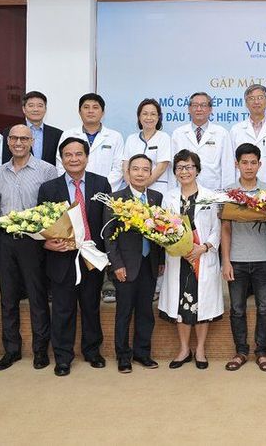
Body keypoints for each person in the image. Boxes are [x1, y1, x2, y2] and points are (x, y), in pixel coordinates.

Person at [37, 137, 111, 377]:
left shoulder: (101, 183)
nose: (74, 159)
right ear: (61, 159)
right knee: (62, 310)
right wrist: (47, 242)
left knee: (91, 307)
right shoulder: (49, 188)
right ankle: (62, 357)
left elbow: (107, 222)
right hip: (62, 258)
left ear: (87, 157)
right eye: (68, 155)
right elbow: (41, 224)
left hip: (91, 256)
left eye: (79, 154)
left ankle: (92, 351)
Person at [0, 125, 57, 371]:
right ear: (8, 142)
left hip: (34, 241)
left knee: (37, 297)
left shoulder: (46, 170)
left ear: (32, 142)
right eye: (14, 138)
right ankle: (11, 350)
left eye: (24, 139)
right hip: (4, 240)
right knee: (8, 298)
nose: (18, 143)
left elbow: (53, 209)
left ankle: (40, 351)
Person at [56, 93, 125, 304]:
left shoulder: (115, 136)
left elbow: (118, 168)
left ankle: (106, 282)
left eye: (95, 107)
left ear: (103, 112)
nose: (91, 111)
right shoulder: (68, 134)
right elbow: (60, 163)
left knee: (102, 235)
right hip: (72, 191)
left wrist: (99, 189)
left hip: (102, 194)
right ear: (79, 111)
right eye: (86, 107)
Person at [158, 150, 224, 370]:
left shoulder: (210, 196)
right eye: (179, 167)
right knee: (181, 305)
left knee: (202, 306)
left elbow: (217, 228)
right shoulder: (169, 197)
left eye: (189, 167)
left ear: (197, 170)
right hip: (179, 259)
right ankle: (184, 349)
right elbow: (163, 228)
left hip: (201, 258)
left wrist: (203, 248)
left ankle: (201, 350)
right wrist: (174, 244)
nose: (184, 171)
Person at [103, 154, 164, 373]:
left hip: (150, 264)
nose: (140, 173)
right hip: (125, 266)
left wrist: (161, 261)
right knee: (124, 312)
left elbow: (161, 231)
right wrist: (116, 265)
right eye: (135, 169)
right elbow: (108, 236)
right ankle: (123, 356)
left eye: (145, 169)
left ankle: (142, 353)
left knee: (146, 312)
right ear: (127, 172)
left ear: (151, 173)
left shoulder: (156, 197)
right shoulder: (116, 199)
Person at [221, 143, 266, 372]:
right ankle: (241, 351)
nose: (249, 167)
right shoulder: (228, 192)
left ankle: (262, 352)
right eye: (244, 162)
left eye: (253, 162)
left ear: (260, 164)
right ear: (237, 164)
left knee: (264, 308)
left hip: (264, 258)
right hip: (236, 259)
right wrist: (226, 261)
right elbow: (225, 228)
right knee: (237, 309)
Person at [171, 91, 235, 190]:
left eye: (203, 105)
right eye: (195, 105)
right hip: (184, 190)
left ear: (210, 109)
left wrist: (227, 194)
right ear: (189, 109)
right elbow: (173, 167)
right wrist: (173, 191)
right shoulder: (178, 133)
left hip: (213, 191)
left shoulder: (221, 133)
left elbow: (228, 168)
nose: (199, 109)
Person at [230, 85, 266, 186]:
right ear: (246, 103)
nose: (256, 102)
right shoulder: (236, 130)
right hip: (241, 189)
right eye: (251, 98)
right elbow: (231, 162)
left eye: (260, 98)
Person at [122, 98, 171, 194]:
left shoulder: (164, 137)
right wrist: (131, 188)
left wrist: (141, 187)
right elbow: (125, 167)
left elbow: (161, 167)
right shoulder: (131, 139)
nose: (149, 117)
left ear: (158, 117)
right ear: (139, 117)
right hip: (132, 191)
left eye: (153, 114)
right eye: (145, 114)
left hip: (157, 189)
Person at [1, 91, 63, 166]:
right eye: (31, 106)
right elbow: (6, 160)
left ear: (45, 109)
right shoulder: (10, 132)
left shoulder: (58, 135)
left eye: (40, 106)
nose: (35, 109)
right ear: (24, 109)